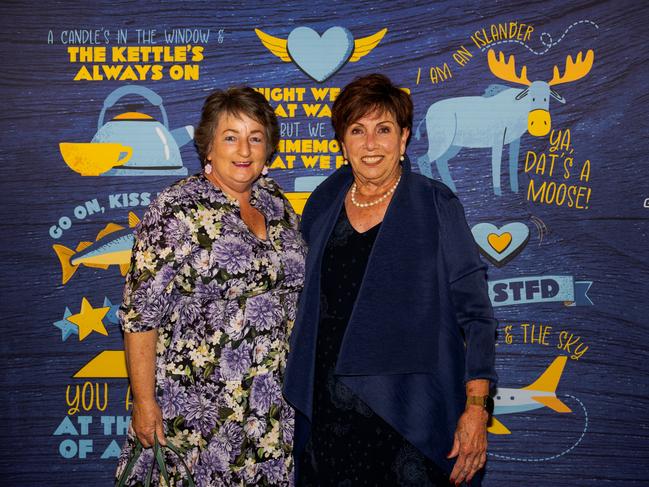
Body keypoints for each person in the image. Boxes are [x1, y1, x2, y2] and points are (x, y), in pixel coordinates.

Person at [283, 74, 497, 487]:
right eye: (357, 131)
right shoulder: (323, 203)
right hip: (330, 416)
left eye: (383, 130)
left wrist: (475, 408)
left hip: (410, 415)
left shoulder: (436, 204)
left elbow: (476, 316)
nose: (370, 144)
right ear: (342, 145)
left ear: (403, 139)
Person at [115, 86, 306, 486]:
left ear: (268, 148)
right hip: (196, 411)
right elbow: (139, 314)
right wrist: (145, 402)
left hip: (270, 410)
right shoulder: (176, 208)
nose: (244, 149)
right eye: (231, 137)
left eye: (256, 138)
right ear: (208, 147)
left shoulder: (277, 204)